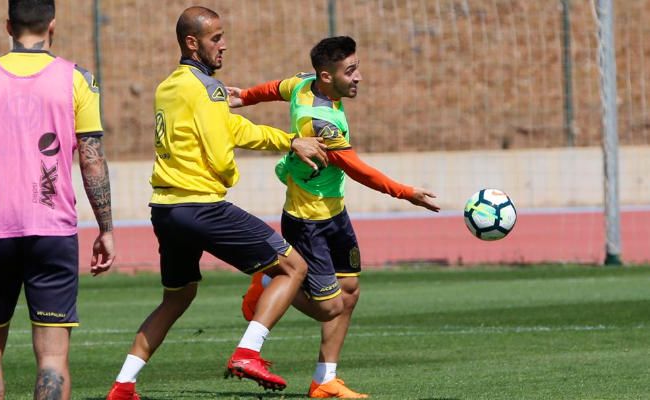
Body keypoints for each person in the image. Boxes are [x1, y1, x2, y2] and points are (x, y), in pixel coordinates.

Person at [105, 6, 329, 400]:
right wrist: (229, 176)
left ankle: (123, 383)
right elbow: (221, 150)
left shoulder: (170, 85)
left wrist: (287, 139)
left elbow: (231, 125)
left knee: (178, 296)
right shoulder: (207, 89)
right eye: (216, 38)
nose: (223, 45)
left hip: (166, 209)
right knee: (293, 267)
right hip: (202, 206)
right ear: (192, 43)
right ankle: (248, 352)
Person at [228, 36, 441, 398]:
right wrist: (408, 193)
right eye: (351, 71)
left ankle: (325, 380)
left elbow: (277, 88)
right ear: (327, 76)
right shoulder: (321, 124)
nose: (358, 77)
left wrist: (245, 96)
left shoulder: (304, 83)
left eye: (357, 67)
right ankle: (270, 280)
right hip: (307, 220)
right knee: (329, 308)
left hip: (335, 212)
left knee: (351, 291)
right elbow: (359, 170)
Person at [0, 0, 116, 398]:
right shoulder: (77, 78)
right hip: (53, 231)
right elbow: (92, 161)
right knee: (52, 358)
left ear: (9, 25)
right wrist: (106, 229)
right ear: (53, 26)